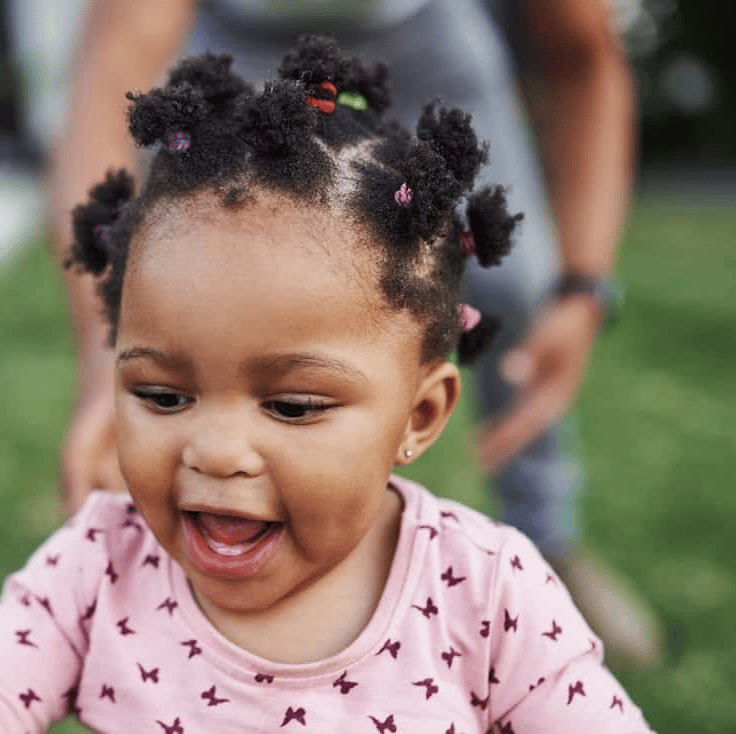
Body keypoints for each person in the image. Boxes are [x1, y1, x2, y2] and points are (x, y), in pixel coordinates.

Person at [0, 38, 654, 733]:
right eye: (161, 395)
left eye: (292, 406)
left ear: (421, 412)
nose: (217, 449)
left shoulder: (484, 593)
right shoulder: (99, 568)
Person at [50, 0, 661, 668]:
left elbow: (584, 58)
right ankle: (183, 594)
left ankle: (547, 552)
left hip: (429, 34)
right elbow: (111, 75)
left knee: (519, 283)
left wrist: (580, 290)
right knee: (200, 270)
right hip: (232, 42)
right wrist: (108, 359)